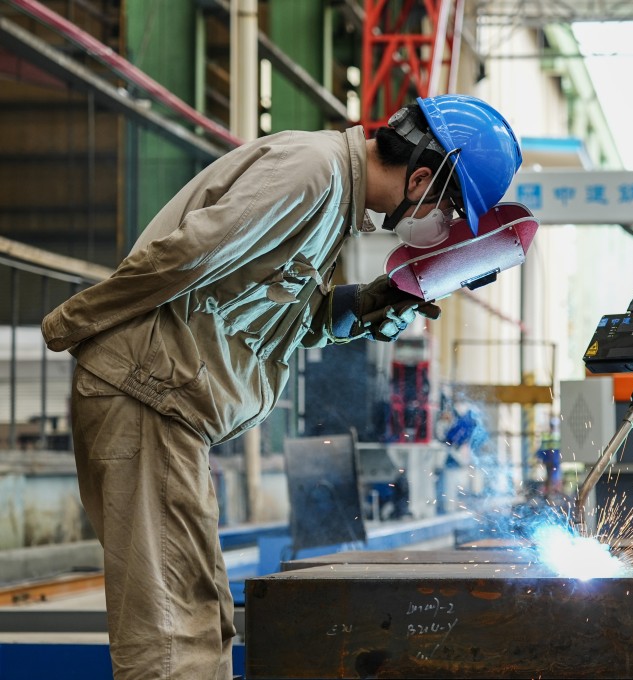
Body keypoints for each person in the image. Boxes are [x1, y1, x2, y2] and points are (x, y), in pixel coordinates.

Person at [40, 94, 522, 679]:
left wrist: (366, 305)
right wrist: (76, 321)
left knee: (198, 608)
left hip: (169, 406)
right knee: (175, 628)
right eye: (446, 210)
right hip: (148, 393)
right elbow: (188, 256)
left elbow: (277, 319)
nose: (440, 225)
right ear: (421, 177)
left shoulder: (331, 202)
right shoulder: (311, 173)